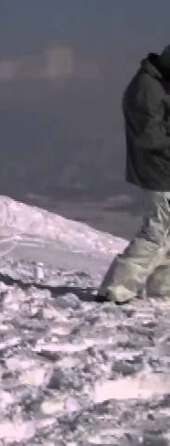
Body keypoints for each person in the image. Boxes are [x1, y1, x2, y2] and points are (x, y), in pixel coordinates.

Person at [98, 46, 170, 304]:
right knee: (156, 231)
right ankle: (115, 289)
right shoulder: (147, 88)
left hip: (164, 167)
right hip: (158, 170)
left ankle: (162, 290)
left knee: (167, 233)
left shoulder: (161, 83)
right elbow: (149, 136)